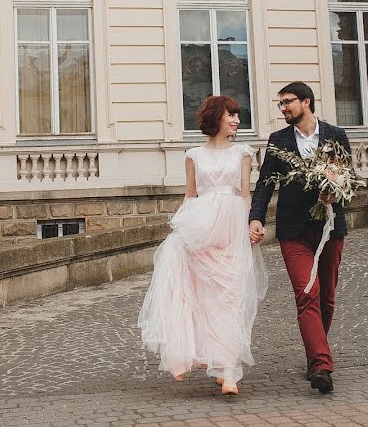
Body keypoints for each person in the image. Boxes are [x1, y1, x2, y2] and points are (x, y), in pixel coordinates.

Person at [138, 95, 267, 395]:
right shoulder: (193, 154)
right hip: (201, 226)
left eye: (238, 116)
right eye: (231, 115)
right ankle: (218, 363)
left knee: (230, 296)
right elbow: (190, 194)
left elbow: (246, 193)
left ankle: (229, 370)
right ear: (215, 118)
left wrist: (252, 224)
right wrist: (182, 229)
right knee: (205, 295)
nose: (236, 120)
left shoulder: (243, 153)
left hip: (233, 226)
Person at [248, 81, 352, 394]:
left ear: (306, 102)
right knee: (307, 293)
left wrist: (335, 195)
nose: (283, 109)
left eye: (288, 102)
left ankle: (314, 355)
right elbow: (266, 182)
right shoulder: (278, 140)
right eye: (280, 104)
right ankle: (321, 365)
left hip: (331, 227)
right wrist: (256, 217)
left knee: (326, 297)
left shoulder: (336, 135)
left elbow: (349, 177)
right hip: (293, 230)